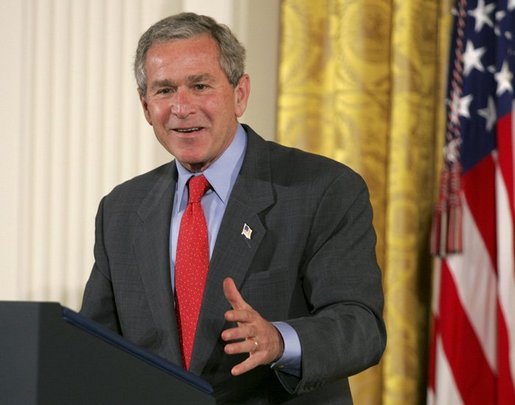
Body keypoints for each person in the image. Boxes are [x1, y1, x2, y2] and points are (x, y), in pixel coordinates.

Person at [80, 12, 386, 404]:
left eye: (200, 85)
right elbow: (94, 346)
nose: (181, 107)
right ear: (145, 107)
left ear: (240, 94)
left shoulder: (323, 189)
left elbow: (360, 327)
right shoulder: (120, 209)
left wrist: (279, 340)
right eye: (164, 90)